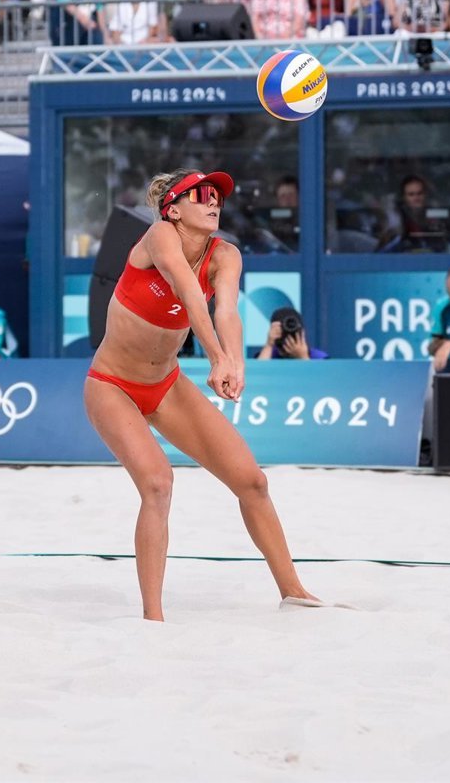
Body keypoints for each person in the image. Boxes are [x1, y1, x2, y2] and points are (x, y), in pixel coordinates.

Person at [83, 168, 321, 621]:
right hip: (111, 384)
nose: (214, 201)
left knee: (253, 482)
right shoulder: (159, 235)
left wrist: (236, 362)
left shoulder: (225, 255)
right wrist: (215, 359)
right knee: (158, 484)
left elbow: (226, 310)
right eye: (201, 195)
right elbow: (191, 297)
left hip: (165, 384)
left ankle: (293, 591)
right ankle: (153, 618)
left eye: (217, 195)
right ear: (173, 209)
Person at [380, 174, 447, 253]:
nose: (416, 198)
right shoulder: (397, 222)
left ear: (425, 195)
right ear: (404, 197)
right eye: (411, 195)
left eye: (419, 193)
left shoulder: (436, 217)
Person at [256, 306, 327, 359]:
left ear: (302, 332)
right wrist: (269, 345)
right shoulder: (269, 355)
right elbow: (257, 375)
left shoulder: (319, 358)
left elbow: (317, 378)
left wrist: (303, 357)